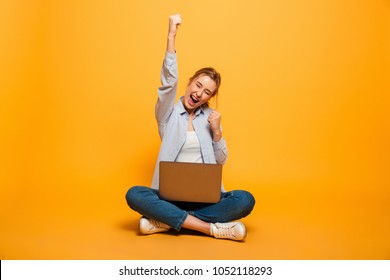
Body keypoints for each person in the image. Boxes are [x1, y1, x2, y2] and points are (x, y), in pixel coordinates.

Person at [125, 14, 255, 241]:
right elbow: (167, 84)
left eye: (207, 92)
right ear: (189, 82)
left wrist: (217, 132)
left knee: (245, 199)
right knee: (134, 194)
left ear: (209, 98)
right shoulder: (168, 114)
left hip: (205, 199)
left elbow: (221, 160)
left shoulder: (209, 119)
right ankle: (210, 228)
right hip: (167, 197)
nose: (199, 93)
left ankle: (166, 221)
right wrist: (171, 36)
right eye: (198, 85)